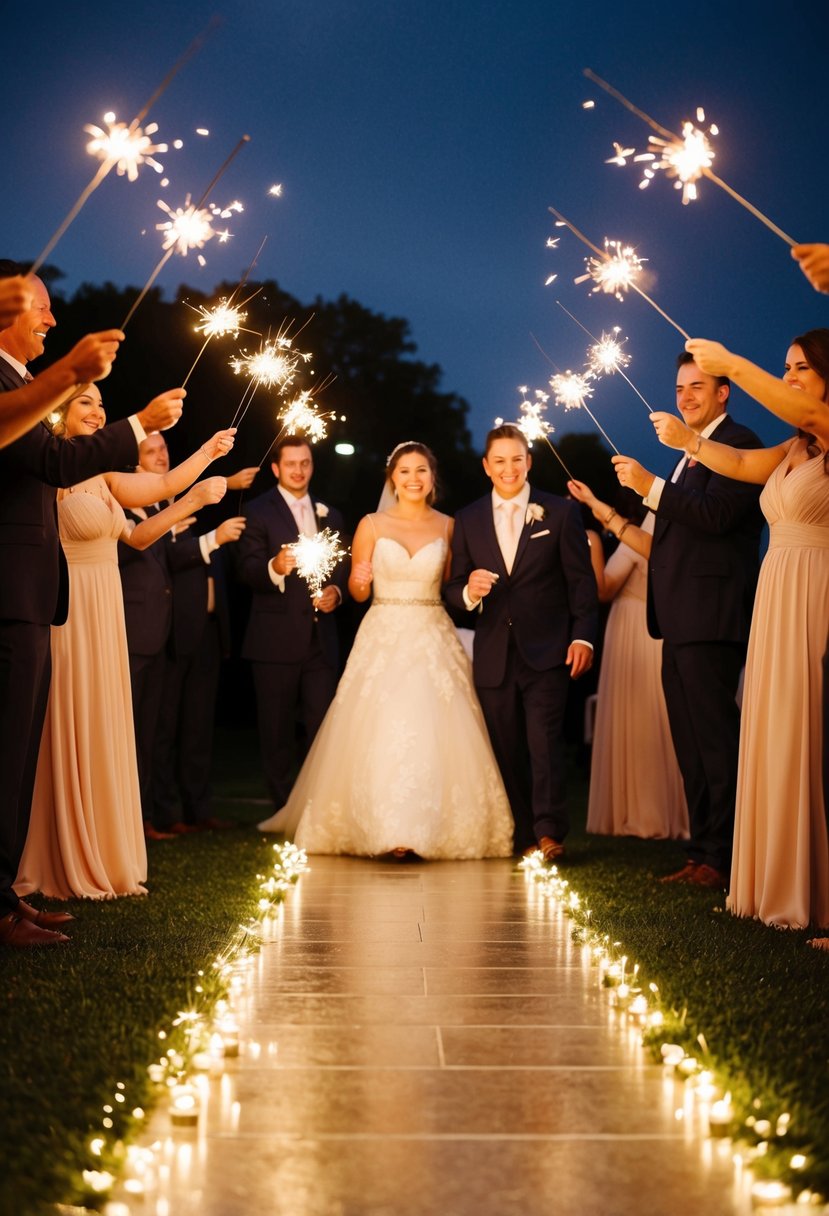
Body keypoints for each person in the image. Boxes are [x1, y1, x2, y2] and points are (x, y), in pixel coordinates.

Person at [0, 266, 183, 946]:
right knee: (10, 751)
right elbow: (52, 463)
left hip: (33, 595)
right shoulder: (9, 385)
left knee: (15, 755)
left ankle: (6, 899)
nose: (49, 320)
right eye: (38, 308)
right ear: (6, 308)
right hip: (14, 591)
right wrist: (139, 422)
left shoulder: (19, 381)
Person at [15, 384, 233, 901]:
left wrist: (204, 465)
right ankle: (53, 853)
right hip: (68, 610)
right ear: (58, 412)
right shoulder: (51, 470)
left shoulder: (106, 473)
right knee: (67, 723)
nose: (96, 411)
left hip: (106, 610)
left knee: (104, 723)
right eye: (84, 402)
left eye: (101, 404)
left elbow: (141, 527)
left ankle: (105, 852)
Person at [258, 441, 513, 858]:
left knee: (435, 728)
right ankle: (384, 829)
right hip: (383, 632)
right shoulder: (371, 524)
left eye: (421, 471)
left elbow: (451, 588)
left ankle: (429, 829)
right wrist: (359, 577)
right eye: (405, 471)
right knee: (381, 727)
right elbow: (358, 593)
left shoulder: (450, 526)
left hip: (432, 633)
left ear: (433, 478)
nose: (413, 479)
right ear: (392, 478)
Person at [658, 332, 829, 929]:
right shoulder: (792, 445)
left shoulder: (823, 426)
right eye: (784, 368)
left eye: (801, 367)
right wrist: (688, 445)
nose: (789, 378)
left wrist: (732, 363)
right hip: (777, 595)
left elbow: (804, 410)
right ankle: (781, 870)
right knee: (781, 731)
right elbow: (736, 464)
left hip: (817, 589)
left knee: (812, 730)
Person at [612, 354, 764, 890]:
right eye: (679, 387)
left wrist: (650, 485)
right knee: (692, 746)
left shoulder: (741, 445)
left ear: (724, 391)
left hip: (713, 616)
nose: (685, 396)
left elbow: (717, 517)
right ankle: (702, 853)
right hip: (677, 620)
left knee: (717, 743)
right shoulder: (682, 457)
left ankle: (725, 859)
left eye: (697, 386)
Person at [445, 424, 598, 861]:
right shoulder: (469, 518)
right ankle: (522, 831)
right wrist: (470, 591)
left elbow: (581, 584)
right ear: (486, 467)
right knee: (506, 746)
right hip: (493, 652)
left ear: (528, 462)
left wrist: (583, 636)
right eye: (499, 460)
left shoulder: (561, 513)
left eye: (517, 459)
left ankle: (550, 832)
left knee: (544, 741)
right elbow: (452, 588)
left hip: (548, 650)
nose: (509, 468)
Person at [567, 479, 688, 840]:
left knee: (641, 720)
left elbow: (603, 587)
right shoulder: (655, 531)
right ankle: (654, 809)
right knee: (651, 718)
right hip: (644, 628)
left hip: (636, 632)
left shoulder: (637, 538)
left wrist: (590, 543)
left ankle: (647, 813)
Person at [237, 436, 347, 811]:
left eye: (305, 463)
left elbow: (342, 570)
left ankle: (318, 806)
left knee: (322, 726)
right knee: (277, 730)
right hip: (274, 639)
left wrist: (336, 592)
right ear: (276, 469)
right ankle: (284, 808)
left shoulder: (329, 512)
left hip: (321, 638)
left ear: (312, 465)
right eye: (291, 464)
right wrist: (276, 567)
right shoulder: (257, 511)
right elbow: (246, 570)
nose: (299, 470)